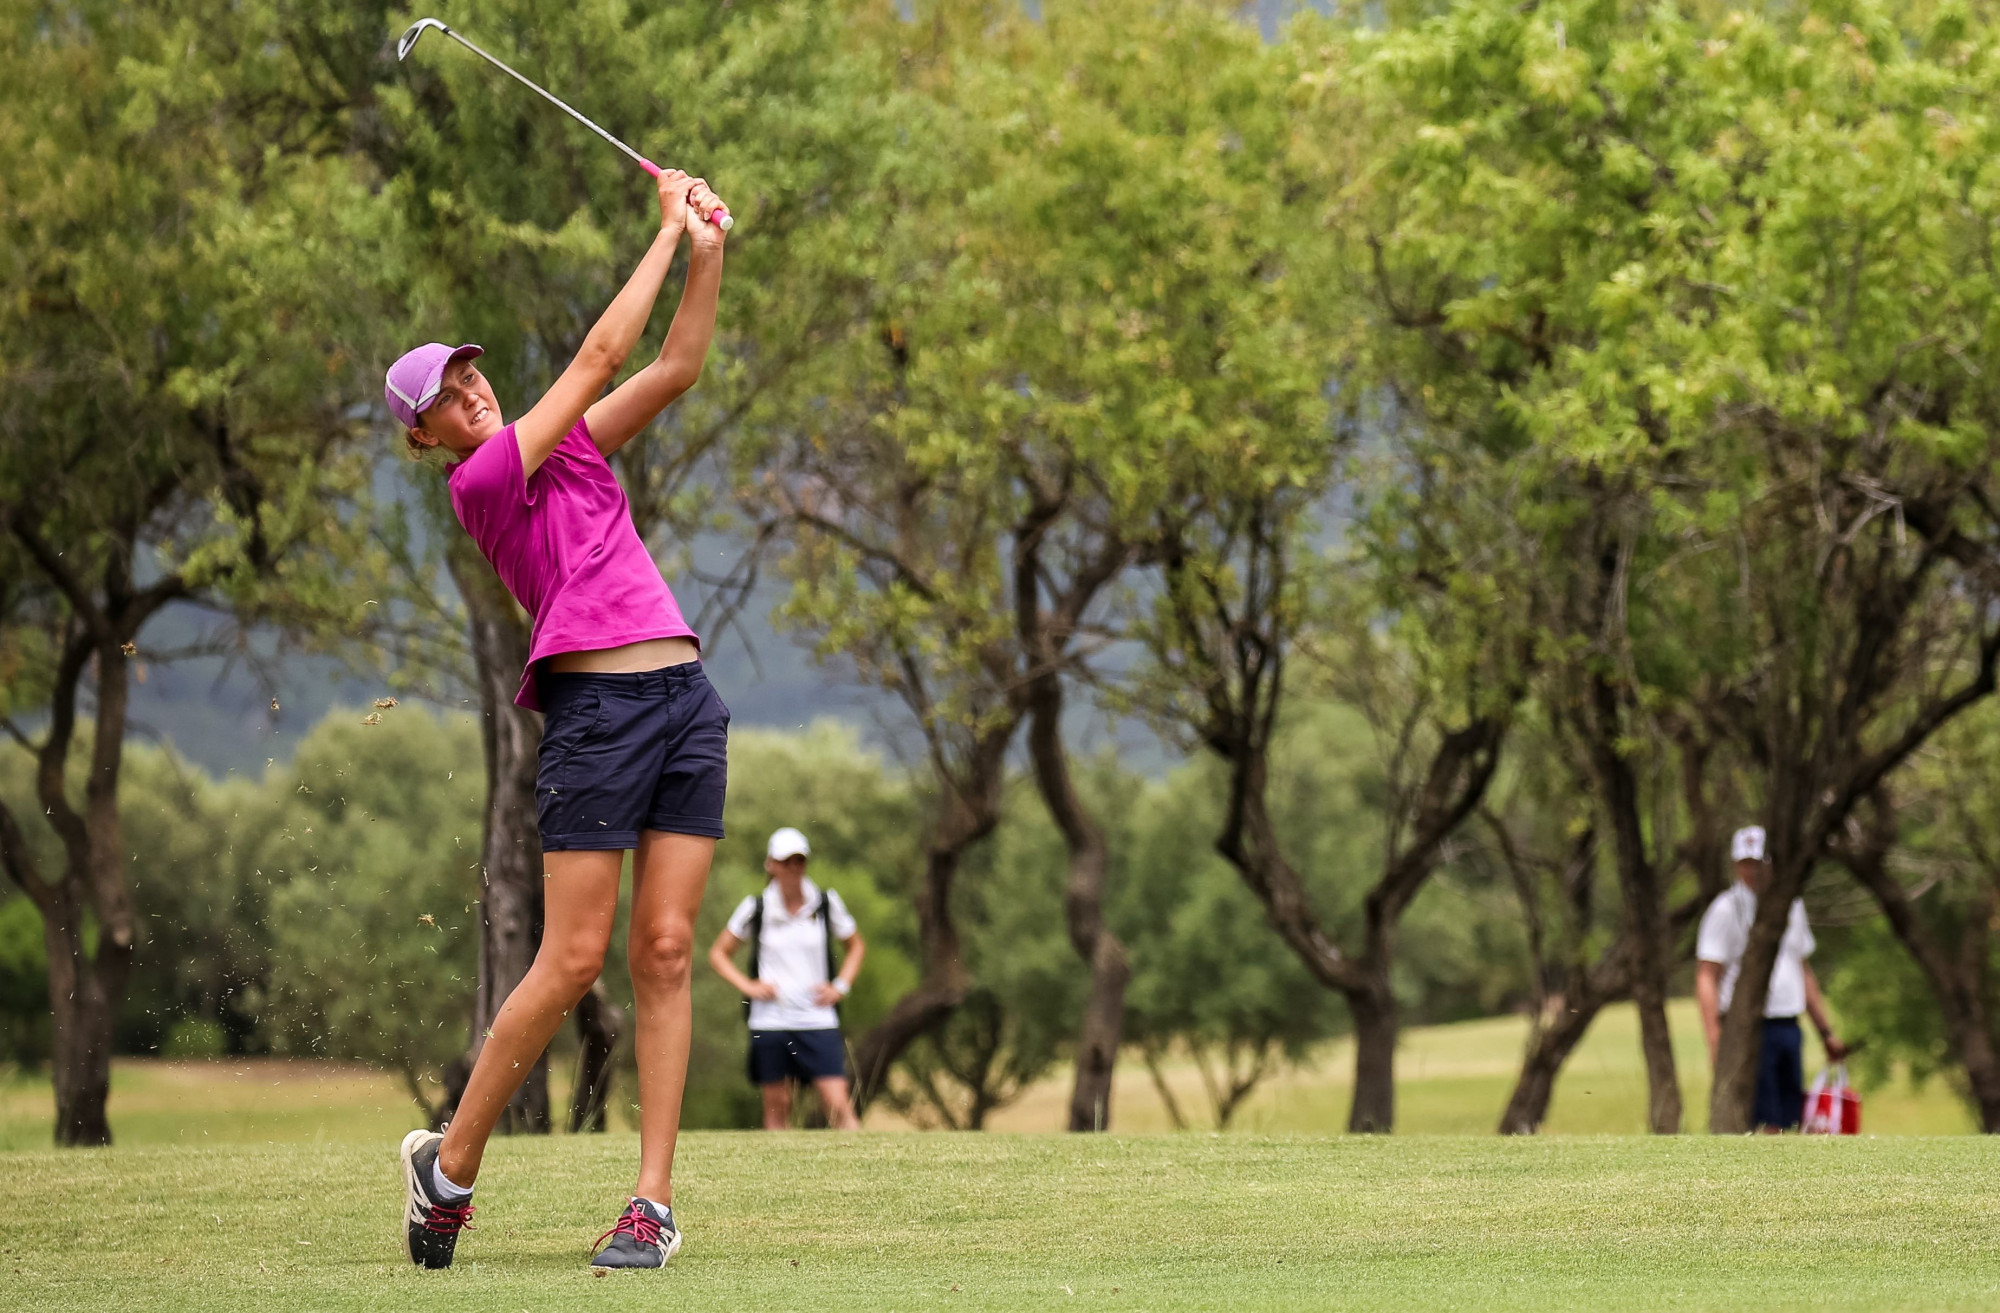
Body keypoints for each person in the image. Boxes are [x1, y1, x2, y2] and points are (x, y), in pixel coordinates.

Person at [386, 166, 730, 1272]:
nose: (470, 390)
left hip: (683, 699)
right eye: (447, 392)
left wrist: (707, 255)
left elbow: (672, 365)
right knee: (574, 957)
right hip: (595, 710)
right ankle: (448, 1169)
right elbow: (597, 358)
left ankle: (652, 1203)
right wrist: (665, 229)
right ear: (427, 433)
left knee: (667, 950)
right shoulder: (479, 482)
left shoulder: (571, 446)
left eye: (470, 373)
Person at [708, 827, 866, 1130]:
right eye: (787, 861)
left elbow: (855, 945)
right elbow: (718, 954)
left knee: (837, 1101)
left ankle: (866, 1166)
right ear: (771, 865)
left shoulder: (824, 903)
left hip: (817, 1017)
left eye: (799, 861)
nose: (794, 868)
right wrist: (748, 986)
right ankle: (776, 1172)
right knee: (777, 1105)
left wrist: (840, 986)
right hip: (770, 1020)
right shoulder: (757, 907)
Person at [1695, 825, 1849, 1132]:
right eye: (1745, 863)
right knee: (1764, 1120)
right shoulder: (1726, 909)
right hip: (1748, 1027)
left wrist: (1825, 1030)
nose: (1752, 871)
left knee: (1791, 1116)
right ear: (1736, 865)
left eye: (1759, 862)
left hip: (1788, 1024)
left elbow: (1802, 968)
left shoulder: (1791, 905)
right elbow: (1706, 976)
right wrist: (1715, 1037)